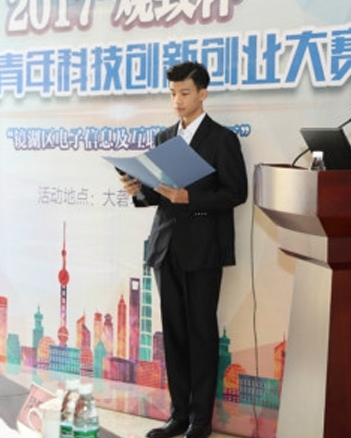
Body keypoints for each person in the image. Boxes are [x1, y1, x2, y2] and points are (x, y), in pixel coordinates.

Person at [120, 62, 248, 438]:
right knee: (174, 334)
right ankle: (178, 416)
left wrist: (190, 197)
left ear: (203, 94)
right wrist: (137, 191)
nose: (178, 100)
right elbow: (156, 194)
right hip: (166, 247)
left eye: (185, 93)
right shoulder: (164, 137)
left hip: (204, 249)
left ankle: (201, 420)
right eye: (173, 93)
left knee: (201, 333)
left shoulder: (222, 139)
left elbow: (236, 192)